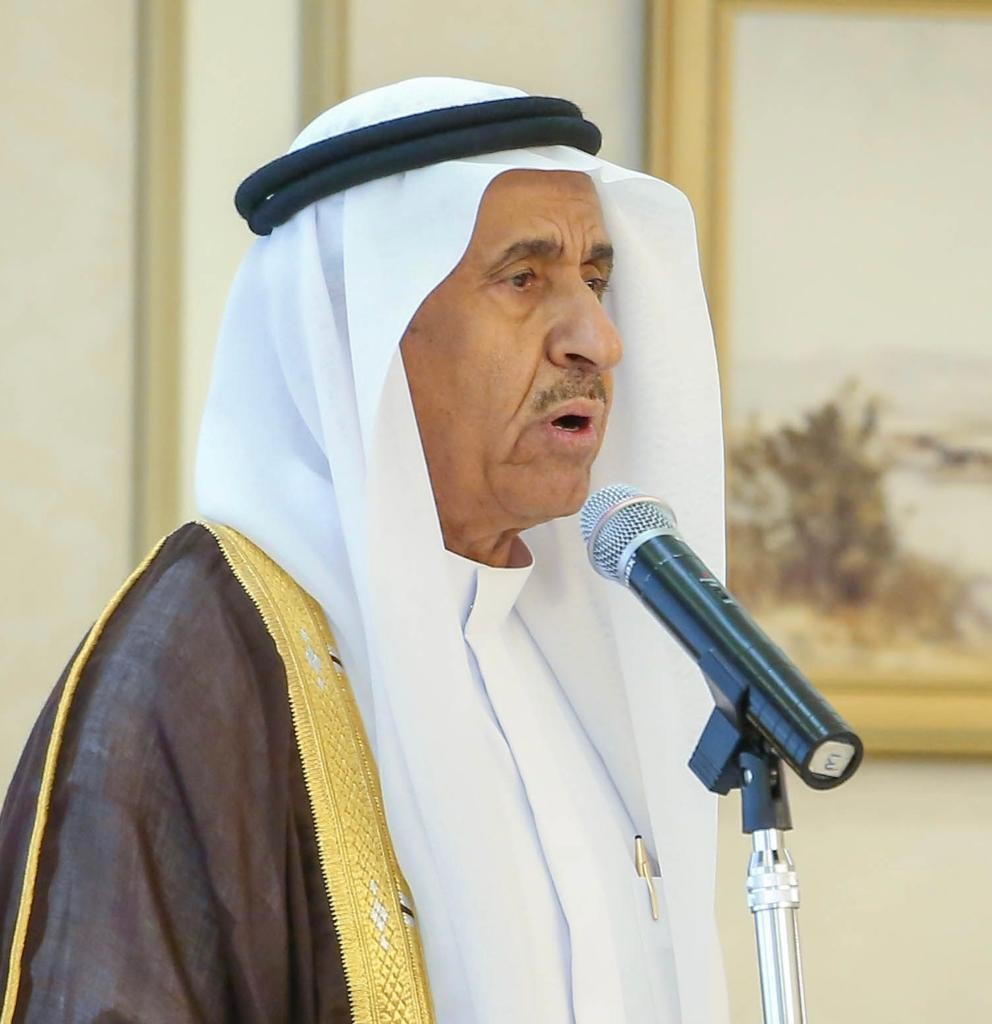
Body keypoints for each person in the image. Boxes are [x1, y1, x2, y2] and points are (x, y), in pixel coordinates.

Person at [0, 78, 728, 1022]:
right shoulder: (200, 665)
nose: (598, 339)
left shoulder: (560, 657)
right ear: (363, 329)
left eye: (594, 279)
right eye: (523, 278)